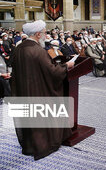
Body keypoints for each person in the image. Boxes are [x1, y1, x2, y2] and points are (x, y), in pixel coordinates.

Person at [10, 20, 74, 160]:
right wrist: (67, 66)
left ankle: (29, 145)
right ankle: (43, 145)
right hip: (37, 91)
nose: (46, 35)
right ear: (38, 34)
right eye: (45, 33)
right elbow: (52, 72)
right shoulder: (38, 50)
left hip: (23, 90)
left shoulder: (19, 48)